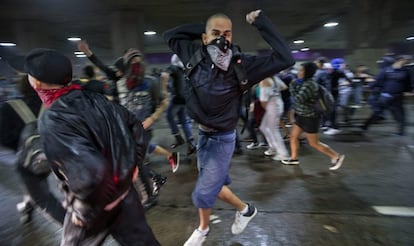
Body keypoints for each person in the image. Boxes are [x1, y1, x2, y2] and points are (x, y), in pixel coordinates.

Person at [164, 9, 295, 245]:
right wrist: (206, 29)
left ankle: (203, 230)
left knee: (204, 192)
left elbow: (286, 58)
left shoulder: (243, 65)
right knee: (214, 186)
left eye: (227, 34)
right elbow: (170, 35)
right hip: (202, 135)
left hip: (223, 139)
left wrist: (262, 23)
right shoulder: (192, 55)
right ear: (204, 38)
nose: (222, 39)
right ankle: (244, 211)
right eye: (215, 34)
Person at [24, 48, 160, 245]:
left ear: (36, 82)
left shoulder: (52, 119)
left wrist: (83, 212)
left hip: (95, 207)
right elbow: (135, 126)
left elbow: (92, 174)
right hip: (125, 196)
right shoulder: (96, 99)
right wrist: (133, 164)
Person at [281, 62, 345, 171]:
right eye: (299, 70)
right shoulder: (304, 83)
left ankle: (336, 156)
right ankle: (294, 158)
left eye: (301, 71)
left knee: (314, 143)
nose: (299, 72)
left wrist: (292, 87)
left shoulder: (309, 84)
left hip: (310, 117)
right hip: (302, 115)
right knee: (293, 137)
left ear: (307, 73)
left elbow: (298, 99)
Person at [362, 55, 412, 136]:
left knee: (400, 114)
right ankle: (365, 126)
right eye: (406, 60)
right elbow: (378, 80)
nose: (408, 61)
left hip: (398, 96)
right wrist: (370, 86)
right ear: (400, 60)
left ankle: (401, 132)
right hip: (386, 95)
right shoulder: (386, 70)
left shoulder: (405, 71)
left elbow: (408, 83)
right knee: (377, 111)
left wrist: (409, 90)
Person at [160, 54, 197, 155]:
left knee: (169, 116)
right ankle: (191, 143)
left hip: (177, 98)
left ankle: (178, 137)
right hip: (187, 98)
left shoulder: (174, 68)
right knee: (184, 121)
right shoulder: (186, 70)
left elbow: (164, 75)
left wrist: (164, 91)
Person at [258, 76, 290, 161]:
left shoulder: (264, 80)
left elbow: (263, 100)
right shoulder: (275, 78)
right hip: (278, 102)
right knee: (263, 127)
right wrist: (274, 90)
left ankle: (283, 154)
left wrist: (266, 107)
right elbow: (284, 87)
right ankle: (273, 147)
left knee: (273, 130)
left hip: (272, 106)